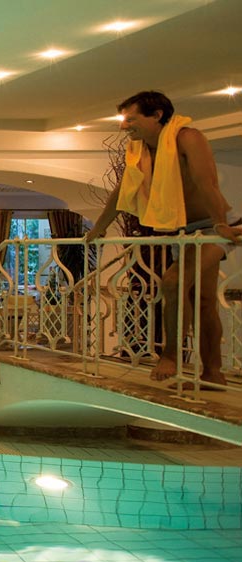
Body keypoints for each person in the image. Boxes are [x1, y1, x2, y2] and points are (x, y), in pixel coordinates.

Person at [84, 90, 241, 387]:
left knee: (172, 282)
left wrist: (220, 222)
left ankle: (170, 356)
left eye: (131, 119)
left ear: (156, 115)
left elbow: (205, 182)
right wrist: (99, 228)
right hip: (183, 230)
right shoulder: (139, 150)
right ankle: (213, 373)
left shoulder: (188, 137)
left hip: (214, 225)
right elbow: (123, 190)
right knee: (203, 300)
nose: (124, 126)